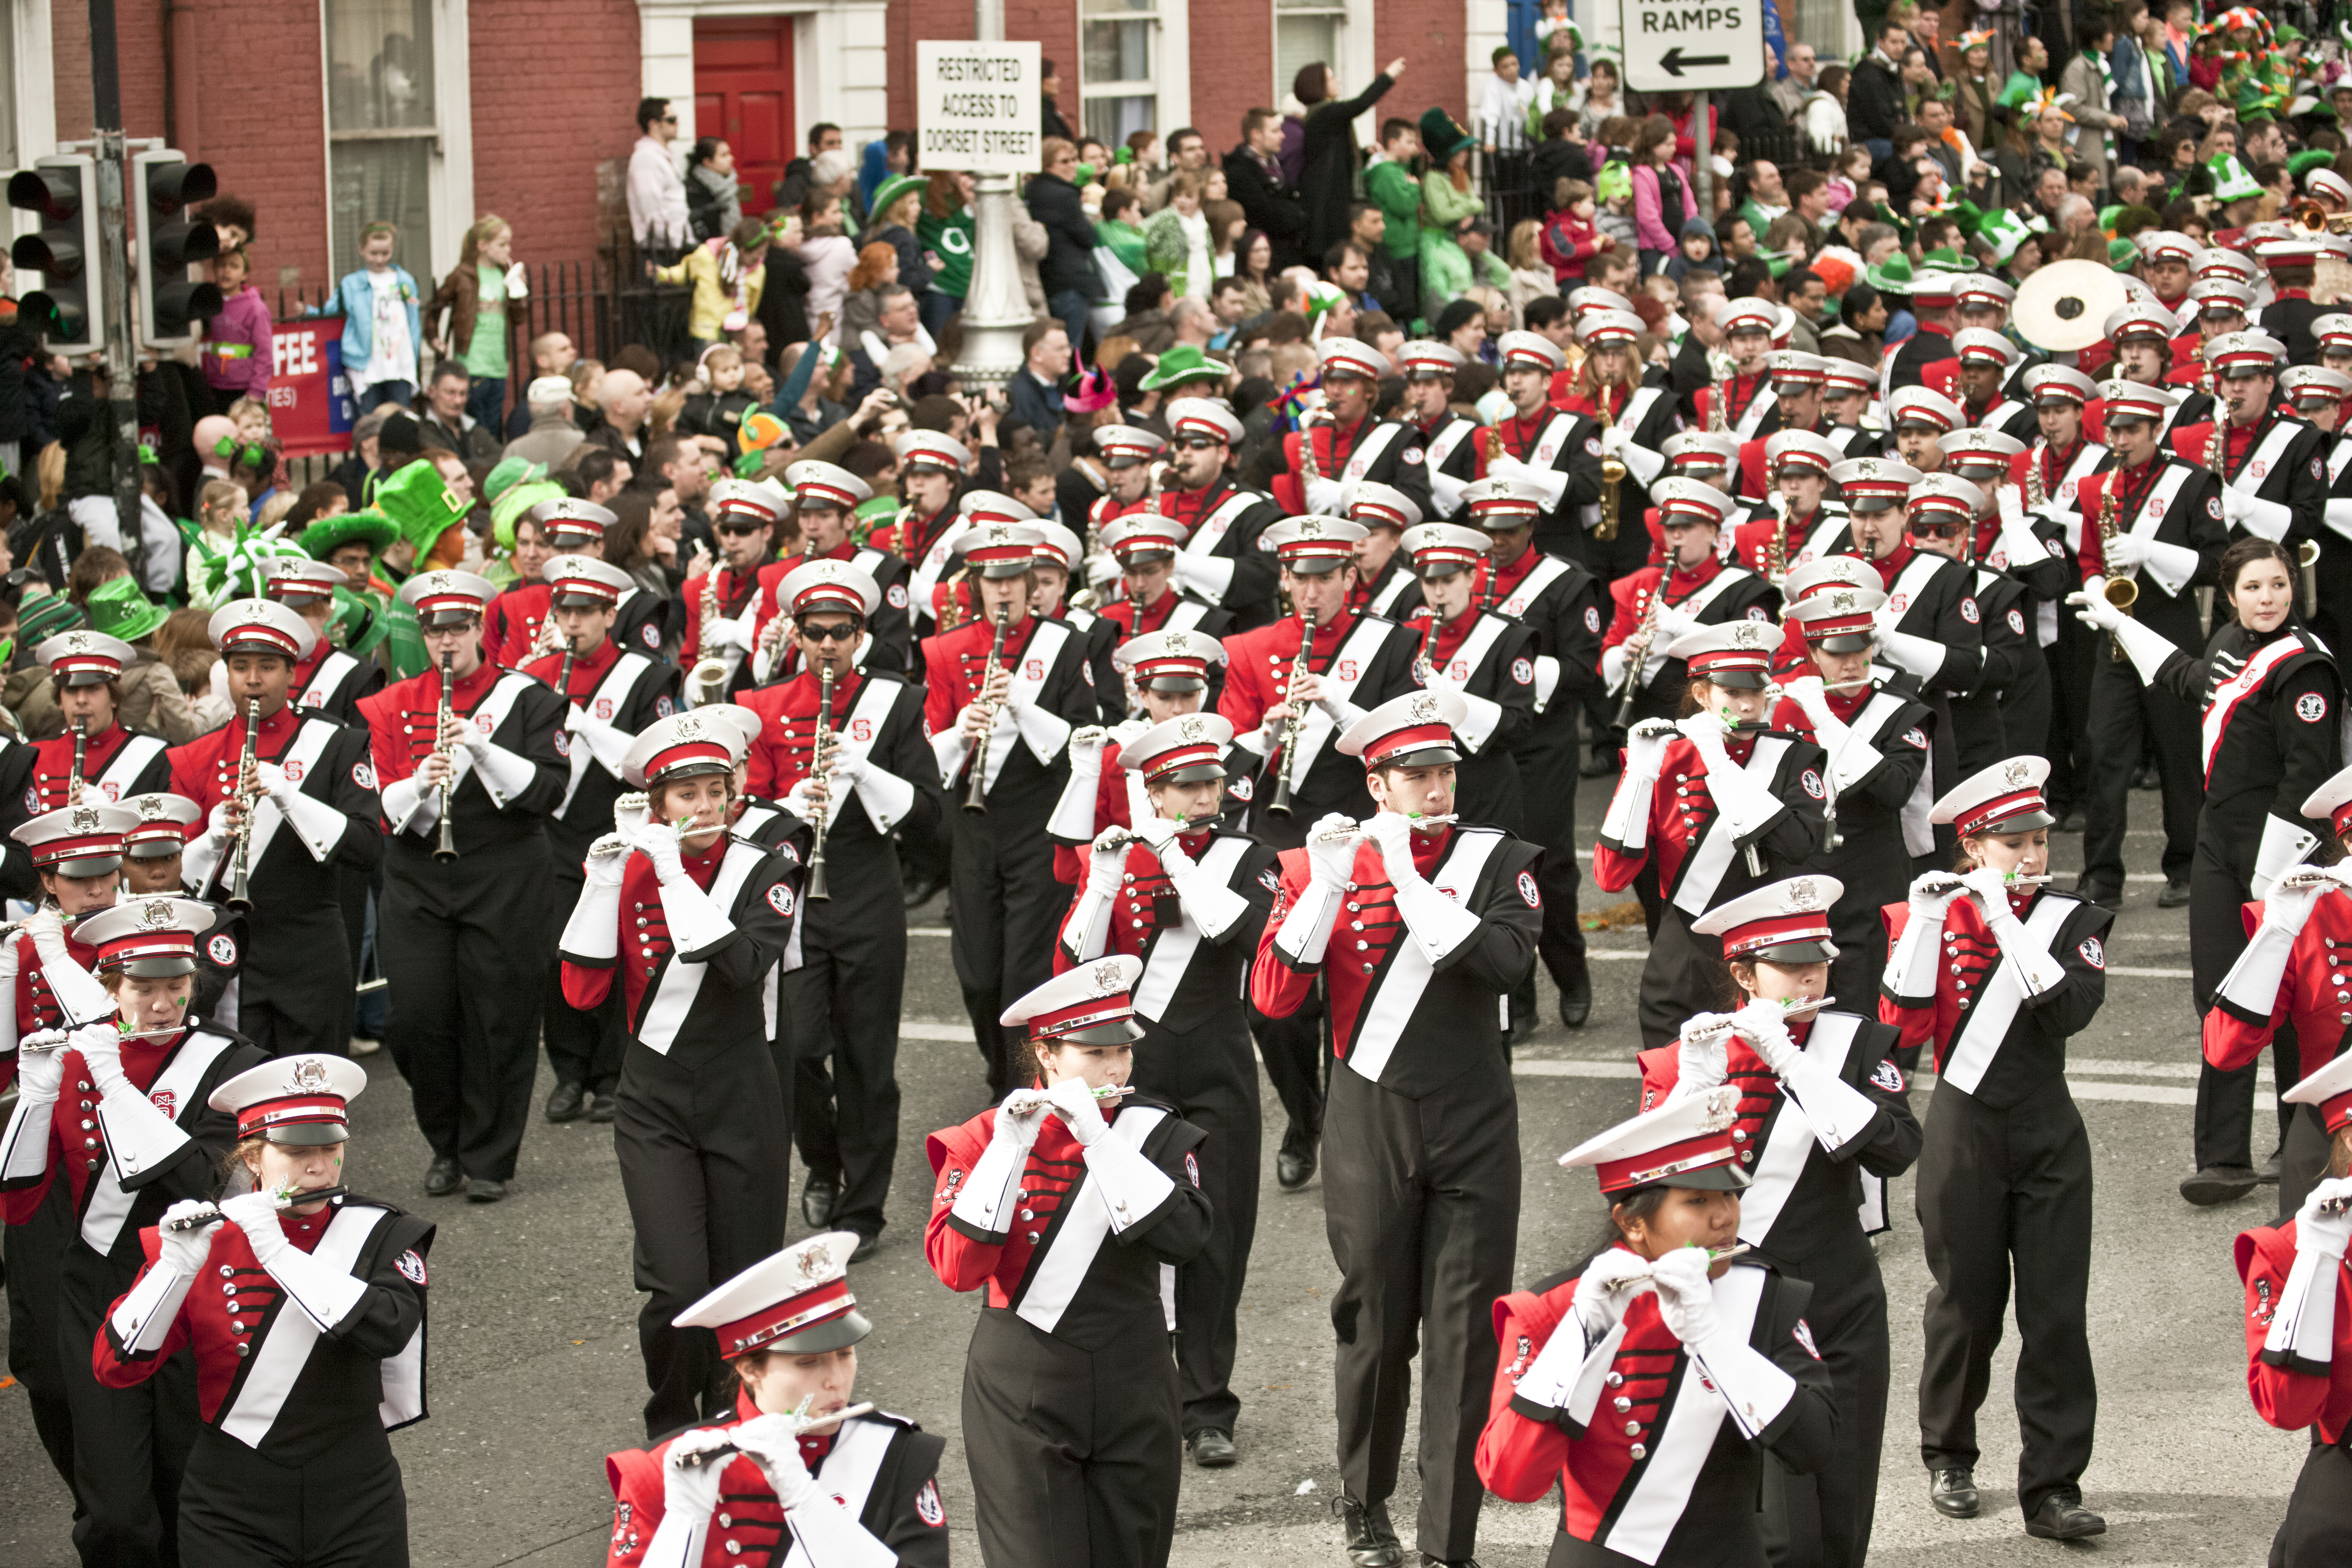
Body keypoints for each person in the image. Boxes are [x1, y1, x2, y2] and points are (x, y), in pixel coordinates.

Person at [1250, 689, 1540, 1568]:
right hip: (1371, 1116)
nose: (1438, 787)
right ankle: (1365, 1508)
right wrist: (1331, 885)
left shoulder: (1496, 860)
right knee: (1375, 1325)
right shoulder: (1314, 868)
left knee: (1464, 1334)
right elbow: (1273, 998)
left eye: (1446, 771)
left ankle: (1450, 1539)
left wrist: (1412, 881)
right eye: (1418, 775)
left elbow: (1503, 963)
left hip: (1474, 1114)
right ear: (1379, 784)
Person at [1636, 879, 1922, 1568]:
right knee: (1783, 1526)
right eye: (1790, 962)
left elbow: (1897, 1147)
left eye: (1817, 958)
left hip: (1842, 1297)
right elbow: (1643, 1196)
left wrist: (1794, 1065)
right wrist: (1694, 1090)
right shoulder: (1689, 1058)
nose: (1810, 973)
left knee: (1844, 1499)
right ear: (1741, 973)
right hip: (1746, 1310)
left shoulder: (1853, 1045)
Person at [1881, 756, 2113, 1540]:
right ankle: (1949, 1451)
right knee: (1966, 1303)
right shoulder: (1933, 914)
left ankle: (2052, 1486)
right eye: (2013, 842)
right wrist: (1920, 920)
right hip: (1964, 1127)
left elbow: (2067, 1010)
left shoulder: (2072, 915)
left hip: (2048, 1127)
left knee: (2055, 1313)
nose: (2033, 855)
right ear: (1973, 846)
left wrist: (2010, 918)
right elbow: (1904, 1025)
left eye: (2039, 840)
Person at [0, 878, 264, 1566]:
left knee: (187, 1489)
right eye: (140, 984)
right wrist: (33, 1099)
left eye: (175, 982)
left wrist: (118, 1090)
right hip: (101, 1287)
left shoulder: (234, 1064)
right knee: (115, 1507)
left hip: (197, 1290)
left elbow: (221, 1179)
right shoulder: (77, 1053)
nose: (160, 1001)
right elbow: (19, 1199)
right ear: (108, 983)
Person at [559, 710, 808, 1437]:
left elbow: (740, 967)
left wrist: (668, 871)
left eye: (714, 791)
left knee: (742, 1274)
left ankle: (734, 1409)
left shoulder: (767, 867)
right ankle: (670, 1418)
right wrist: (606, 880)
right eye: (685, 795)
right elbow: (581, 992)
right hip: (655, 1093)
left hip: (743, 1088)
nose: (703, 808)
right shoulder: (632, 865)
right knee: (676, 1279)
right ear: (658, 805)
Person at [2073, 537, 2340, 1206]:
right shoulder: (2229, 640)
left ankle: (2299, 1142)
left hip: (2281, 851)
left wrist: (2273, 877)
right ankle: (2221, 1157)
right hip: (2220, 841)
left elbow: (2308, 781)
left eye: (2278, 585)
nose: (2269, 598)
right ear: (2230, 596)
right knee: (2222, 994)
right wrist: (2120, 623)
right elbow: (2188, 677)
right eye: (2255, 588)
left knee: (2285, 1000)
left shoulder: (2304, 668)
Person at [923, 954, 1213, 1567]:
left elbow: (1187, 1239)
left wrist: (1103, 1144)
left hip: (1135, 1375)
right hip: (1022, 1384)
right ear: (1049, 1055)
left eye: (1123, 1051)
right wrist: (1006, 1153)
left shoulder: (1153, 1133)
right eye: (1095, 1053)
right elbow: (958, 1268)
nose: (1115, 1066)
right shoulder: (981, 1139)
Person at [1477, 1083, 1839, 1568]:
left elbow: (1815, 1446)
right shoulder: (1554, 1309)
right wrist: (1579, 1339)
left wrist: (1713, 1341)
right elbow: (1512, 1481)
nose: (1725, 1217)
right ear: (1632, 1223)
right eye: (1697, 1201)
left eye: (1731, 1194)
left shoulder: (1761, 1298)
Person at [93, 1047, 431, 1568]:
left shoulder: (384, 1233)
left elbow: (389, 1328)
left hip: (358, 1499)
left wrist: (277, 1252)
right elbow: (116, 1366)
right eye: (296, 1152)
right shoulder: (207, 1242)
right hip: (230, 1508)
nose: (319, 1167)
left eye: (331, 1146)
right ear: (253, 1157)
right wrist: (172, 1271)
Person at [1053, 714, 1276, 1469]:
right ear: (1153, 791)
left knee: (1215, 1242)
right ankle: (1137, 1391)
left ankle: (1207, 1403)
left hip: (1217, 1073)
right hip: (1132, 1079)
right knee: (1126, 1237)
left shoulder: (1247, 856)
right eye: (1186, 786)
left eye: (1212, 781)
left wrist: (1177, 860)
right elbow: (1071, 965)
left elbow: (1241, 935)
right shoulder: (1113, 855)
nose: (1205, 795)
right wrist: (1106, 878)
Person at [741, 562, 943, 1262]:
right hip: (793, 890)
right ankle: (823, 1161)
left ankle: (864, 1207)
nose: (828, 643)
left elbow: (929, 816)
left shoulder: (896, 700)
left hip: (865, 882)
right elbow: (748, 808)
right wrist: (790, 809)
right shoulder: (764, 705)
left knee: (867, 1056)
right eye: (815, 631)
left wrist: (864, 773)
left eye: (842, 631)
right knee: (795, 1050)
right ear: (796, 633)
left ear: (861, 633)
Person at [1215, 518, 1420, 1189]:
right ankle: (1306, 1119)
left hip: (1367, 834)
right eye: (1300, 577)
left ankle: (1357, 1122)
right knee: (1274, 1007)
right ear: (1283, 580)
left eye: (1325, 578)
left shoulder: (1391, 644)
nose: (1312, 592)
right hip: (1282, 841)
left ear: (1349, 579)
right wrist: (1263, 736)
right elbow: (1226, 769)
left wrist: (1336, 705)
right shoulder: (1247, 650)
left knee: (1362, 983)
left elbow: (1407, 742)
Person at [360, 570, 567, 1204]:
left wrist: (481, 747)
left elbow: (548, 792)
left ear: (480, 628)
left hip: (505, 872)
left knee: (500, 1015)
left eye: (457, 627)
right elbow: (380, 806)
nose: (446, 641)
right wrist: (423, 783)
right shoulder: (392, 705)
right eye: (434, 629)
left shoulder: (530, 699)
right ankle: (443, 1141)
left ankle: (489, 1158)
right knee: (419, 1017)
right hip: (419, 875)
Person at [602, 1233, 950, 1566]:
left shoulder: (897, 1455)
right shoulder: (659, 1473)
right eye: (807, 1362)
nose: (836, 1381)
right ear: (750, 1368)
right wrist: (684, 1527)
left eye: (845, 1355)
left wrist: (807, 1502)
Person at [922, 522, 1100, 1097]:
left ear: (1030, 583)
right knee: (978, 974)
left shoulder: (1066, 645)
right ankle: (1000, 1068)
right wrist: (961, 730)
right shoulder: (945, 650)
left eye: (1014, 580)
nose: (1004, 593)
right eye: (992, 582)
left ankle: (1024, 1087)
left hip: (1039, 821)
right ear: (976, 585)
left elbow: (1083, 739)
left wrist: (1023, 707)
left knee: (1026, 972)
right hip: (975, 826)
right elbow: (931, 754)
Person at [1593, 620, 1831, 1047]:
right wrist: (1640, 773)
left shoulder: (1795, 758)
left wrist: (1720, 765)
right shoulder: (1667, 757)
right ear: (1702, 696)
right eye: (1732, 693)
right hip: (1683, 956)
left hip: (1769, 956)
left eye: (1755, 692)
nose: (1746, 706)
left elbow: (1799, 846)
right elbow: (1611, 877)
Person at [168, 599, 382, 1060]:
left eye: (268, 666)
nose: (252, 679)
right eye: (240, 666)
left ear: (292, 674)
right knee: (238, 1100)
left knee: (311, 1098)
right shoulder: (193, 757)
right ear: (224, 674)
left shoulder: (338, 743)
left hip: (311, 945)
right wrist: (212, 838)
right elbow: (171, 878)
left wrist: (291, 798)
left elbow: (368, 847)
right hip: (229, 949)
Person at [518, 556, 681, 1125]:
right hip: (551, 836)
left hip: (618, 829)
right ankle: (570, 1071)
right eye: (564, 610)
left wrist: (586, 723)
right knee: (559, 951)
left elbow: (651, 761)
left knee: (619, 949)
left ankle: (615, 1071)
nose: (573, 623)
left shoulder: (647, 674)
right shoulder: (532, 674)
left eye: (586, 611)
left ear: (611, 613)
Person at [2069, 378, 2226, 908]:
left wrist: (2151, 551)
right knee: (2105, 753)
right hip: (2116, 635)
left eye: (2132, 429)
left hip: (2171, 630)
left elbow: (2217, 563)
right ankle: (2101, 874)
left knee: (2181, 755)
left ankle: (2186, 866)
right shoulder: (2096, 487)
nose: (2121, 438)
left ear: (2157, 429)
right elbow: (2090, 559)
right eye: (2114, 429)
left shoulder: (2193, 482)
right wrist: (2096, 592)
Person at [1770, 585, 1935, 1011]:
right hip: (1799, 874)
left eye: (1860, 650)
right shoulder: (1779, 707)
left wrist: (1824, 719)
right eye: (1835, 653)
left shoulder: (1903, 710)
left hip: (1872, 876)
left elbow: (1895, 788)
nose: (1850, 664)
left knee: (1866, 1007)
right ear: (1813, 652)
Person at [2232, 1049, 2352, 1564]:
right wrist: (2318, 1264)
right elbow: (2289, 1407)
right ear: (2348, 1138)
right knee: (2319, 1544)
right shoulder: (2285, 1251)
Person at [25, 629, 175, 810]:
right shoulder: (31, 756)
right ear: (60, 701)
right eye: (72, 690)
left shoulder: (155, 756)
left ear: (113, 697)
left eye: (92, 688)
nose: (81, 700)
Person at [1295, 59, 1406, 260]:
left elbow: (1334, 152)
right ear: (1318, 86)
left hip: (1328, 197)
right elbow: (1361, 104)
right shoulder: (1326, 113)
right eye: (1330, 78)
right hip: (1328, 201)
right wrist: (1388, 75)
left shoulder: (1321, 116)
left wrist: (1363, 153)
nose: (1337, 81)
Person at [307, 222, 422, 416]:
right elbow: (332, 309)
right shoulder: (352, 283)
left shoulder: (405, 280)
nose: (379, 259)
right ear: (362, 250)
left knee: (400, 417)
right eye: (373, 253)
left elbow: (413, 318)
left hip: (401, 360)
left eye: (385, 253)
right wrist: (310, 312)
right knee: (369, 418)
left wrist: (415, 346)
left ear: (392, 250)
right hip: (368, 361)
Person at [628, 97, 691, 255]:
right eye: (671, 120)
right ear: (653, 125)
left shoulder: (663, 157)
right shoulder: (646, 159)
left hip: (675, 247)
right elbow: (651, 212)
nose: (677, 123)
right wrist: (676, 243)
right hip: (662, 251)